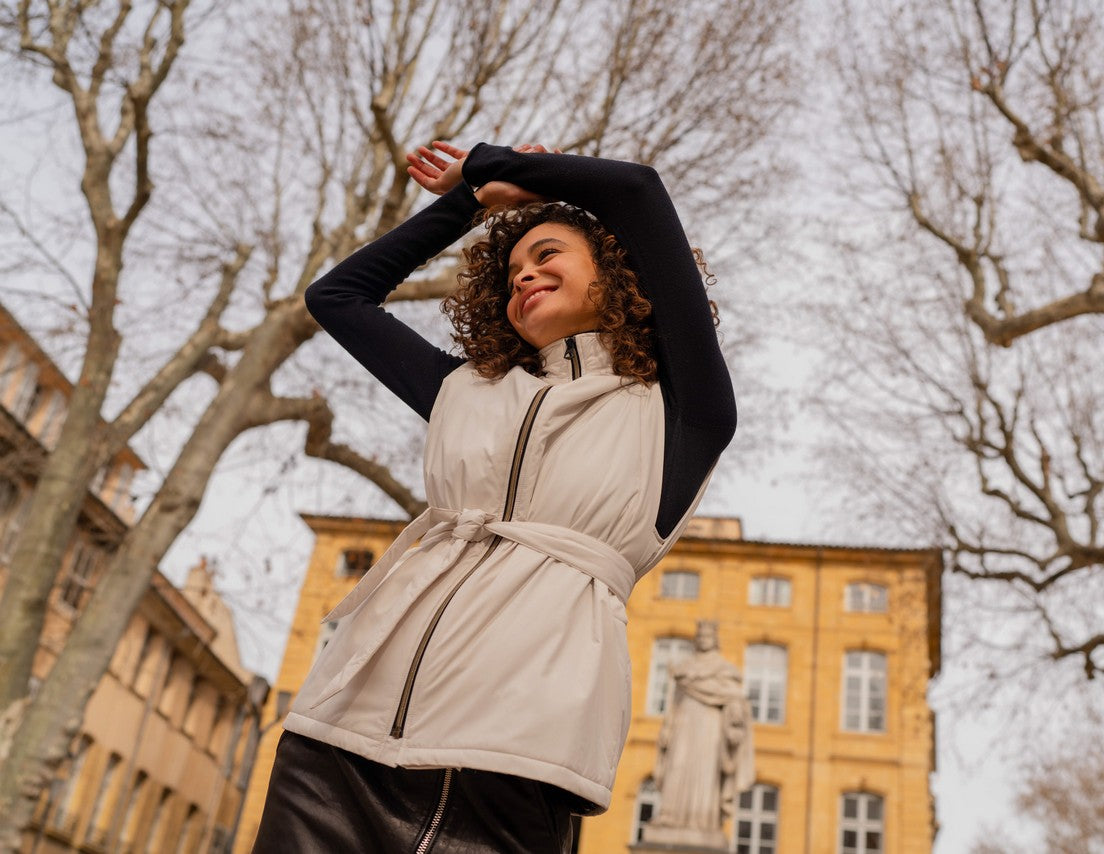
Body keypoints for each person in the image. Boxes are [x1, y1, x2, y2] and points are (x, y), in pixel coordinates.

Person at [251, 140, 735, 853]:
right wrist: (468, 204)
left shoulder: (683, 412)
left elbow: (636, 191)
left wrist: (496, 168)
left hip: (510, 756)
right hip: (336, 741)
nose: (525, 276)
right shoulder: (463, 392)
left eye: (547, 255)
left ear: (621, 273)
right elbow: (337, 297)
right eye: (511, 272)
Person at [648, 621, 754, 846]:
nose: (704, 638)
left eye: (708, 635)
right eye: (701, 634)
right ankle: (669, 816)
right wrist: (667, 727)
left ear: (715, 639)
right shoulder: (684, 668)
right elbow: (674, 703)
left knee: (705, 773)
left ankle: (703, 821)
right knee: (676, 766)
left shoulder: (724, 670)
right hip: (683, 724)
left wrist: (734, 727)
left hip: (709, 727)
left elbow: (735, 699)